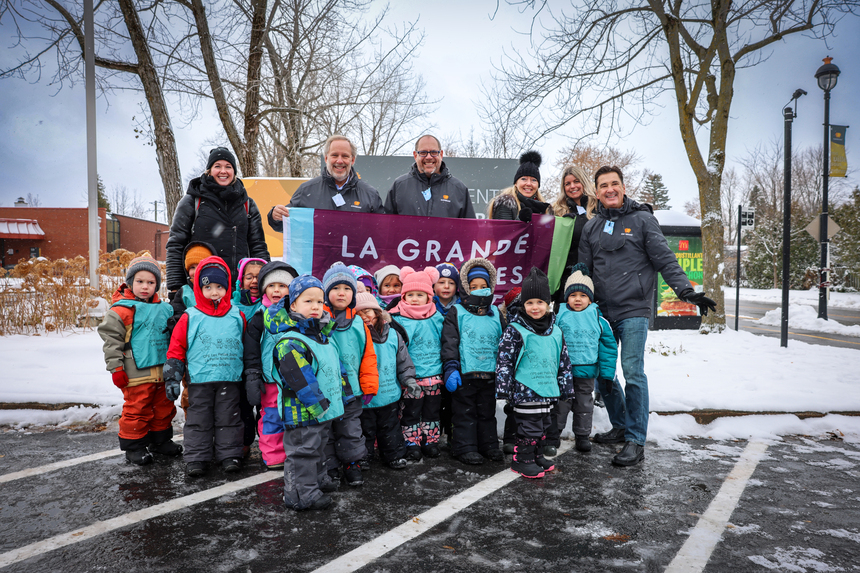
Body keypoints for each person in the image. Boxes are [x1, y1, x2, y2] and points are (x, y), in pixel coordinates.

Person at [578, 165, 716, 467]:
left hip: (633, 310)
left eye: (614, 183)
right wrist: (576, 303)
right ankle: (620, 425)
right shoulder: (591, 227)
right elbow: (583, 272)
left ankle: (635, 440)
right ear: (597, 192)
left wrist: (686, 291)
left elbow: (666, 260)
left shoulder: (643, 220)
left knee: (633, 372)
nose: (610, 189)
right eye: (603, 185)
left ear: (623, 187)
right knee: (603, 374)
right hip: (601, 312)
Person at [265, 275, 353, 511]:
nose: (315, 307)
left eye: (319, 301)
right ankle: (301, 495)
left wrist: (344, 395)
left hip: (323, 409)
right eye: (308, 301)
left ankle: (317, 480)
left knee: (320, 446)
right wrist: (318, 406)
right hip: (304, 412)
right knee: (303, 452)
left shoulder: (323, 336)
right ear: (293, 305)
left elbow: (336, 368)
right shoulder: (291, 341)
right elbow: (300, 379)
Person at [164, 256, 246, 477]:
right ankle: (197, 457)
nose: (214, 292)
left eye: (220, 287)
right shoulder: (191, 316)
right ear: (200, 288)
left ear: (227, 287)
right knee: (199, 420)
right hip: (200, 380)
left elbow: (246, 345)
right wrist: (172, 375)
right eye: (208, 287)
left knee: (228, 419)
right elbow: (177, 347)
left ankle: (229, 455)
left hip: (230, 379)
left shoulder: (236, 315)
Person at [98, 254, 182, 466]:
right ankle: (134, 446)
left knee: (163, 407)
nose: (145, 286)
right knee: (137, 408)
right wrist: (116, 368)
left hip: (162, 370)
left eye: (151, 282)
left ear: (157, 285)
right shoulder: (121, 311)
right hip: (135, 372)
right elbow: (112, 342)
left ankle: (160, 441)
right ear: (130, 282)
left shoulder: (165, 308)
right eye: (140, 281)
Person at [496, 267, 573, 479]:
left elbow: (563, 360)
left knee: (544, 425)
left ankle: (537, 455)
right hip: (525, 388)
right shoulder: (515, 329)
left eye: (540, 302)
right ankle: (522, 460)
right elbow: (504, 360)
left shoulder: (556, 330)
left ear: (548, 304)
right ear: (523, 305)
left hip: (548, 388)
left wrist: (565, 386)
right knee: (529, 427)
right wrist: (503, 388)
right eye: (529, 303)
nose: (535, 307)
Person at [165, 147, 270, 301]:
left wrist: (267, 281)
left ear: (234, 171)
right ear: (209, 170)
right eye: (217, 166)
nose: (223, 171)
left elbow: (258, 246)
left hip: (239, 292)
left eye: (228, 167)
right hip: (202, 290)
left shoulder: (247, 204)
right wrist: (175, 287)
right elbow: (176, 245)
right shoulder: (192, 201)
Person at [441, 258, 505, 466]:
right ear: (466, 288)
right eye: (473, 286)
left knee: (487, 412)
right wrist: (451, 367)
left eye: (483, 286)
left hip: (489, 373)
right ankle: (464, 447)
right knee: (464, 413)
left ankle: (488, 445)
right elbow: (450, 342)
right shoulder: (457, 312)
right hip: (465, 374)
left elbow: (505, 343)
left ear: (491, 287)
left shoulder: (495, 313)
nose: (478, 290)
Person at [322, 264, 378, 487]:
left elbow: (368, 356)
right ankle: (330, 466)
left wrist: (369, 386)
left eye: (347, 288)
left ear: (354, 294)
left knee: (351, 430)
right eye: (336, 288)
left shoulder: (358, 323)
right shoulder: (319, 321)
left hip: (353, 391)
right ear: (326, 293)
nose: (342, 293)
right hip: (327, 391)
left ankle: (352, 464)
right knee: (327, 431)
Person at [553, 263, 618, 453]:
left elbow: (608, 348)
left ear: (590, 299)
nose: (578, 299)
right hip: (562, 372)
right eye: (573, 295)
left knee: (584, 405)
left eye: (583, 295)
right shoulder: (559, 316)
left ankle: (582, 436)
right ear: (567, 298)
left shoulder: (598, 318)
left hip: (587, 371)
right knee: (560, 404)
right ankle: (554, 434)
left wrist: (607, 375)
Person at [355, 292, 421, 470]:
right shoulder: (355, 338)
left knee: (390, 429)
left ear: (377, 312)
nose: (364, 316)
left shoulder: (393, 335)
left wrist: (409, 380)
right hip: (365, 397)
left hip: (389, 395)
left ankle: (394, 455)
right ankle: (363, 457)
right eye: (359, 313)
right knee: (364, 431)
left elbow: (403, 361)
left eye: (368, 311)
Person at [243, 261, 298, 470]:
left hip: (295, 379)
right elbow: (251, 350)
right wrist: (253, 375)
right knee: (272, 417)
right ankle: (273, 455)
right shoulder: (260, 317)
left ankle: (294, 451)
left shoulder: (297, 315)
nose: (277, 290)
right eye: (272, 285)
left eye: (283, 286)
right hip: (270, 380)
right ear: (264, 288)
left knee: (294, 417)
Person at [267, 134, 384, 231]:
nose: (339, 161)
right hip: (317, 259)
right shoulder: (306, 190)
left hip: (355, 259)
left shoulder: (370, 194)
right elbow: (286, 225)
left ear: (352, 160)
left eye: (345, 156)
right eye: (334, 155)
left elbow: (382, 232)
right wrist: (274, 216)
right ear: (326, 158)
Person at [390, 266, 445, 461]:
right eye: (410, 294)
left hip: (434, 375)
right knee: (410, 411)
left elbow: (445, 343)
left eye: (420, 295)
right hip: (411, 377)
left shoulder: (437, 317)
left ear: (429, 297)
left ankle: (430, 440)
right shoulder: (397, 318)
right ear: (403, 296)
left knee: (431, 410)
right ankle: (411, 442)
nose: (414, 299)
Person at [384, 134, 475, 218]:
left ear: (441, 154)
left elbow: (471, 231)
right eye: (423, 152)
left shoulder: (458, 189)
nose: (429, 157)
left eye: (434, 152)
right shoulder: (399, 186)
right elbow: (387, 228)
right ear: (415, 155)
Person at [231, 257, 268, 458]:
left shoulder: (270, 306)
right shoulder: (232, 306)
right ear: (240, 280)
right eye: (249, 277)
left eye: (259, 277)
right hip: (239, 367)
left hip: (263, 365)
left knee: (266, 408)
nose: (254, 281)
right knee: (242, 408)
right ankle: (244, 443)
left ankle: (267, 445)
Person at [488, 151, 550, 221]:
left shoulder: (542, 207)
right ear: (516, 183)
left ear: (538, 185)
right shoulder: (506, 203)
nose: (529, 184)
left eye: (533, 180)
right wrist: (520, 220)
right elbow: (503, 230)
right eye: (524, 179)